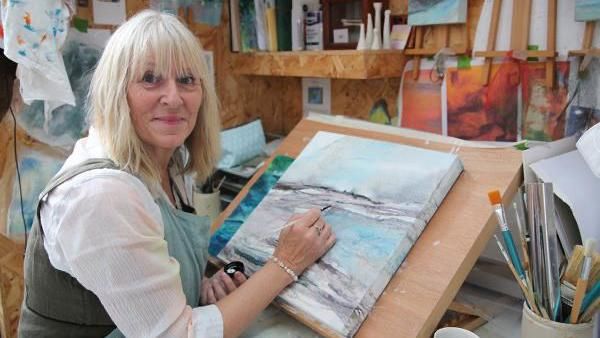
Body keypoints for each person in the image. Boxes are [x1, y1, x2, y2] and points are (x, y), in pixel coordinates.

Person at [18, 10, 336, 338]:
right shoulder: (101, 195)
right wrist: (286, 263)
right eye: (150, 79)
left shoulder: (169, 162)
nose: (173, 98)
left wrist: (200, 286)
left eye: (186, 80)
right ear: (117, 92)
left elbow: (147, 280)